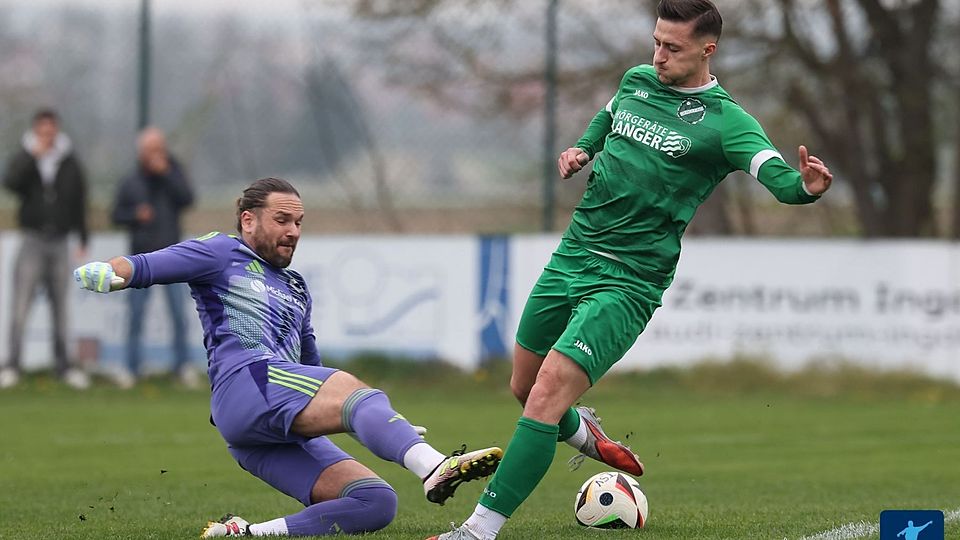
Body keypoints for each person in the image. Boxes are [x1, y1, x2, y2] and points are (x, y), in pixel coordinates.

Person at [428, 1, 833, 539]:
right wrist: (583, 148)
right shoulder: (637, 80)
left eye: (673, 48)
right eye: (656, 43)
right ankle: (585, 435)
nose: (659, 56)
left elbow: (776, 176)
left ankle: (477, 530)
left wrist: (804, 188)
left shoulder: (725, 123)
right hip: (573, 254)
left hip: (629, 280)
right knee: (523, 386)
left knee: (547, 394)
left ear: (707, 50)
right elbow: (611, 114)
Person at [74, 177, 502, 537]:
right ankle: (434, 466)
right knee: (357, 392)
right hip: (249, 385)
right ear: (248, 219)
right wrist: (111, 274)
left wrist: (378, 420)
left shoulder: (296, 287)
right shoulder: (221, 252)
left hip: (262, 428)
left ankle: (247, 533)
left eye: (298, 222)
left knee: (375, 502)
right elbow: (146, 264)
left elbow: (312, 373)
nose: (293, 230)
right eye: (282, 220)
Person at [0, 108, 90, 390]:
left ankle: (63, 366)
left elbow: (79, 199)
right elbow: (11, 183)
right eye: (42, 131)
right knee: (20, 306)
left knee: (61, 308)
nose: (47, 137)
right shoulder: (25, 156)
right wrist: (32, 157)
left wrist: (83, 238)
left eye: (51, 131)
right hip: (32, 240)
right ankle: (12, 364)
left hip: (61, 241)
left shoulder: (69, 160)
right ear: (36, 130)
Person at [111, 127, 196, 388]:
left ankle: (182, 366)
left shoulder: (174, 173)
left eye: (157, 148)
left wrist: (167, 174)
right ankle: (131, 367)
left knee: (178, 315)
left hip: (172, 258)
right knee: (135, 316)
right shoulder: (131, 180)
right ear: (141, 152)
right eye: (149, 150)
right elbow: (115, 215)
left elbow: (188, 198)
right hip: (139, 260)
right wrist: (135, 215)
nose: (153, 154)